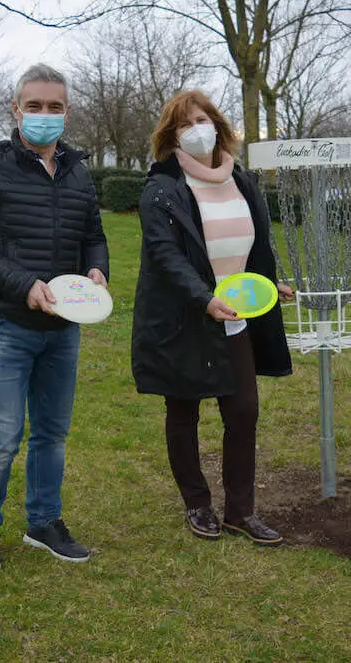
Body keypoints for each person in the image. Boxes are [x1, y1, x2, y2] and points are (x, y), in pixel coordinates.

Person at [0, 63, 108, 573]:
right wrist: (23, 285)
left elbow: (93, 235)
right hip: (5, 325)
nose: (44, 115)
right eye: (33, 105)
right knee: (0, 439)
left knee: (52, 435)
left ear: (67, 112)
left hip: (63, 329)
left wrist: (98, 269)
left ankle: (43, 522)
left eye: (54, 107)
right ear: (15, 109)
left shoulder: (79, 171)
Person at [131, 90, 293, 547]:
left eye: (202, 120)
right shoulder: (161, 190)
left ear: (219, 127)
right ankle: (197, 504)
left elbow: (252, 244)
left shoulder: (243, 181)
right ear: (171, 136)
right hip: (185, 318)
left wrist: (266, 282)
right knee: (183, 412)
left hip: (235, 314)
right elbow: (166, 258)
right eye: (184, 125)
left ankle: (241, 512)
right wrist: (203, 299)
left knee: (243, 411)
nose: (196, 130)